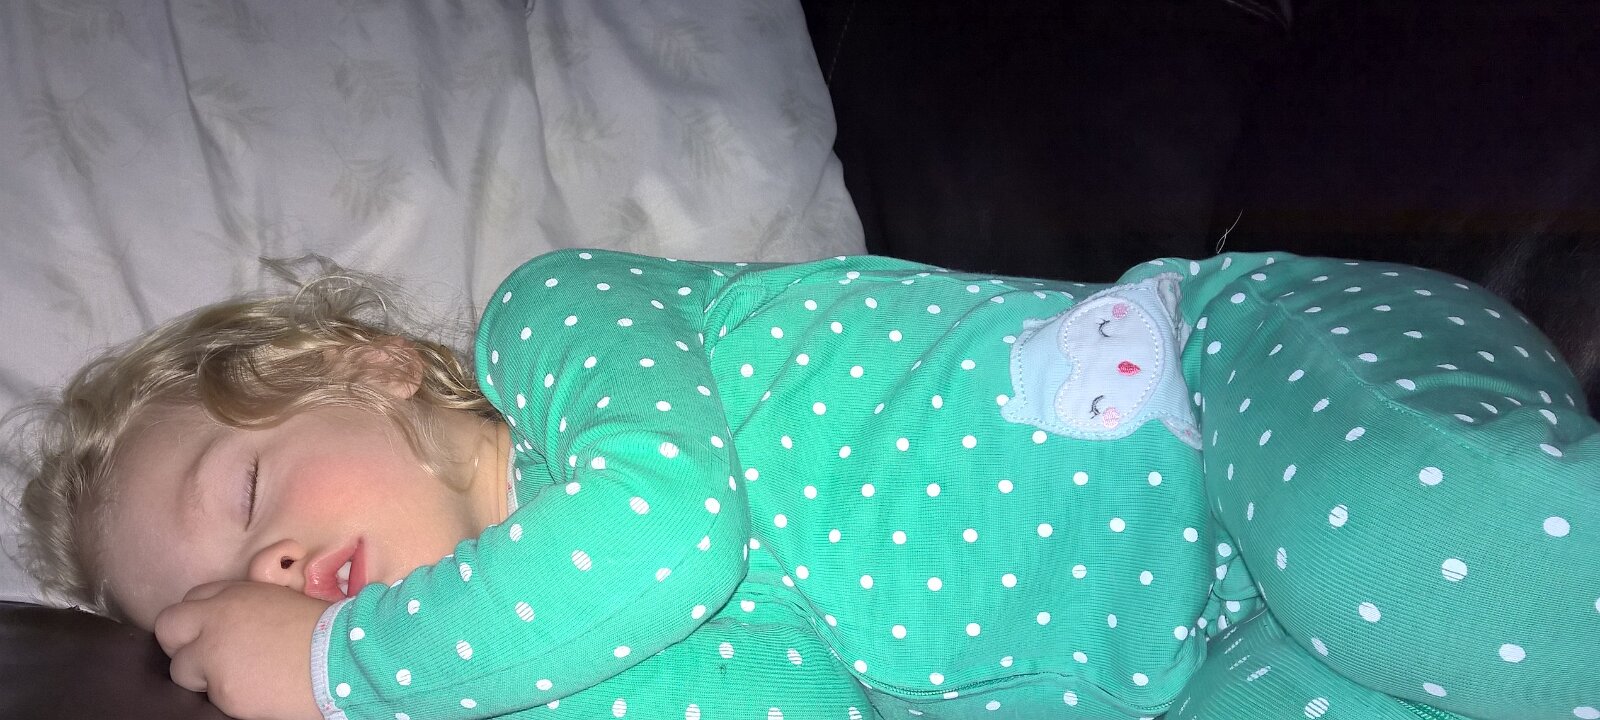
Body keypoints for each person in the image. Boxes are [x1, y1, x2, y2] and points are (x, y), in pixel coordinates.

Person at [18, 248, 1599, 720]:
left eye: (247, 498)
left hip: (1253, 381)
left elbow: (663, 532)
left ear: (370, 368)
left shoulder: (553, 327)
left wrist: (342, 673)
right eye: (210, 600)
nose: (266, 576)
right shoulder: (568, 685)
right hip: (1216, 653)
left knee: (1434, 562)